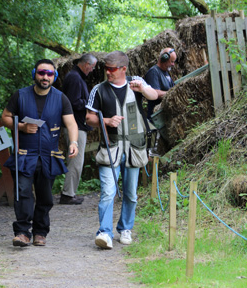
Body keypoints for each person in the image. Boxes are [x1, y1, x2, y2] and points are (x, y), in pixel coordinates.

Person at [1, 59, 79, 247]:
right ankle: (22, 232)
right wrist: (21, 126)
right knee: (23, 192)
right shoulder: (19, 96)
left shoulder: (61, 98)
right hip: (24, 155)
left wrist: (74, 142)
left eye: (49, 74)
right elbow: (5, 118)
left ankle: (40, 232)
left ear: (54, 77)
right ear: (34, 73)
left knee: (45, 196)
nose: (45, 77)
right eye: (42, 73)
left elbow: (71, 124)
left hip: (48, 156)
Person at [86, 51, 158, 250]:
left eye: (112, 69)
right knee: (108, 192)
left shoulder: (136, 82)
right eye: (106, 69)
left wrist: (143, 88)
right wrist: (106, 121)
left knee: (131, 194)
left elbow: (154, 96)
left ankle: (126, 229)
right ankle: (105, 232)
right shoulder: (98, 90)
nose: (108, 72)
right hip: (111, 147)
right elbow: (89, 118)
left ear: (124, 69)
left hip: (135, 147)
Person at [60, 53, 97, 205]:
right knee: (75, 160)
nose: (92, 70)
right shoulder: (75, 77)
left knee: (76, 160)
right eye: (92, 67)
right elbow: (73, 102)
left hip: (77, 124)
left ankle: (70, 192)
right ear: (86, 64)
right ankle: (68, 194)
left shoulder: (76, 76)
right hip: (75, 125)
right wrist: (90, 104)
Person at [144, 48, 176, 120]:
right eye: (171, 61)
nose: (173, 64)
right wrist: (172, 94)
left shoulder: (165, 72)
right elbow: (155, 93)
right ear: (164, 59)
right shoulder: (153, 72)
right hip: (156, 117)